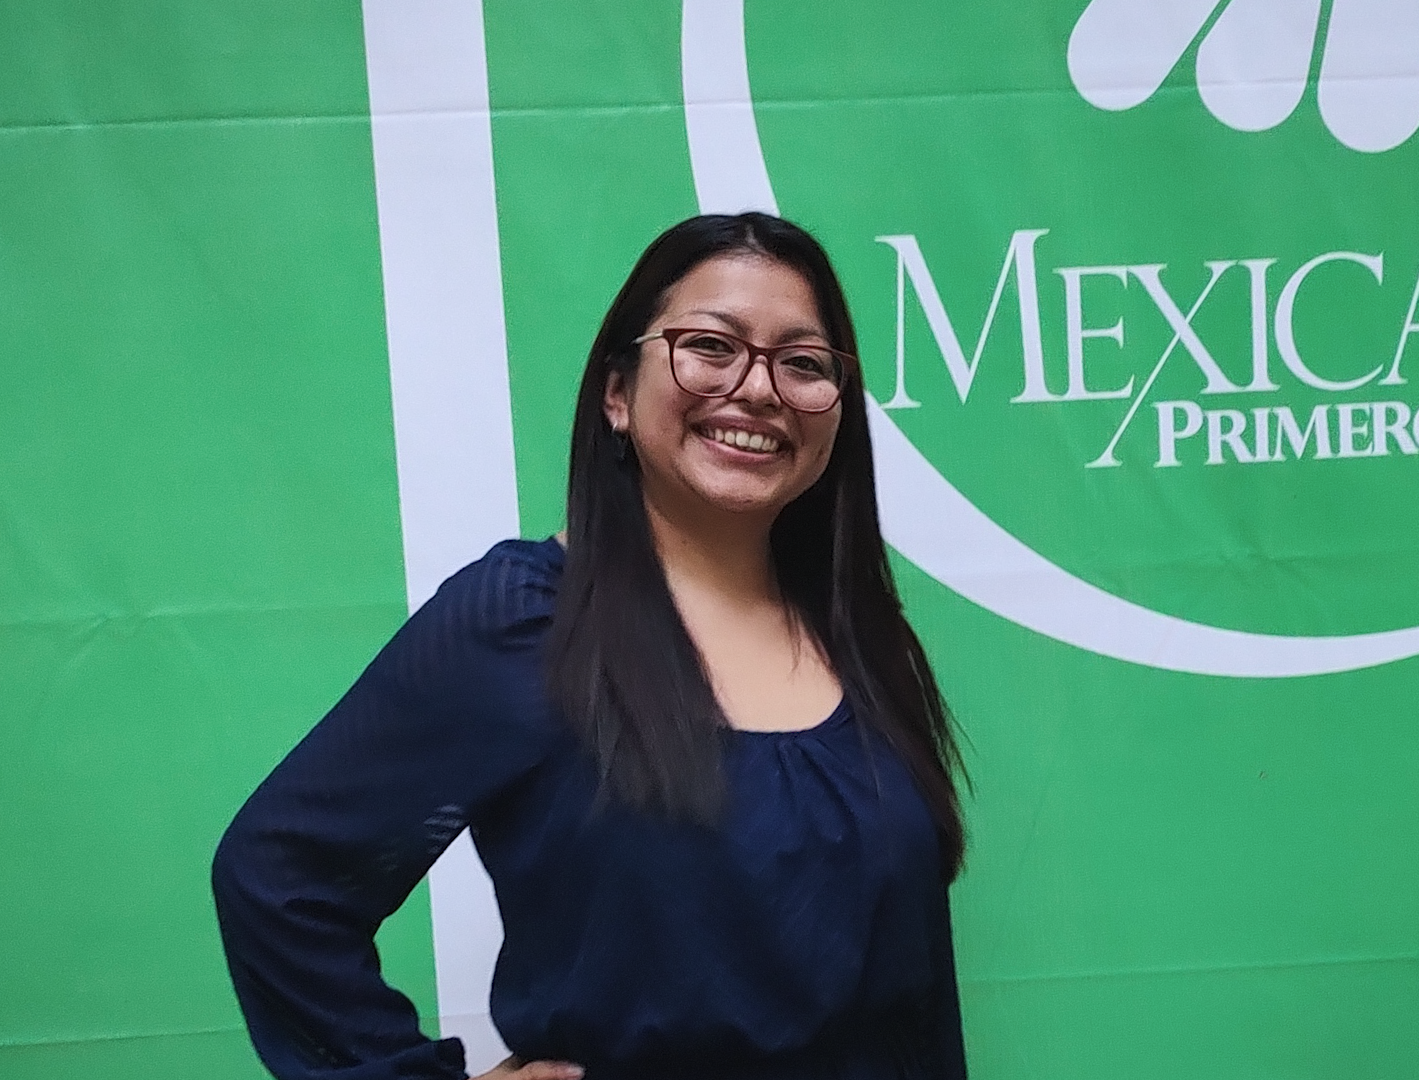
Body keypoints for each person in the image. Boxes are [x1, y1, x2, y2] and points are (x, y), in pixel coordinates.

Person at [212, 213, 968, 1080]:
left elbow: (917, 1002)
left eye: (802, 363)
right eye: (710, 347)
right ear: (617, 392)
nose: (758, 389)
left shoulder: (865, 640)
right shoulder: (526, 622)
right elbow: (277, 881)